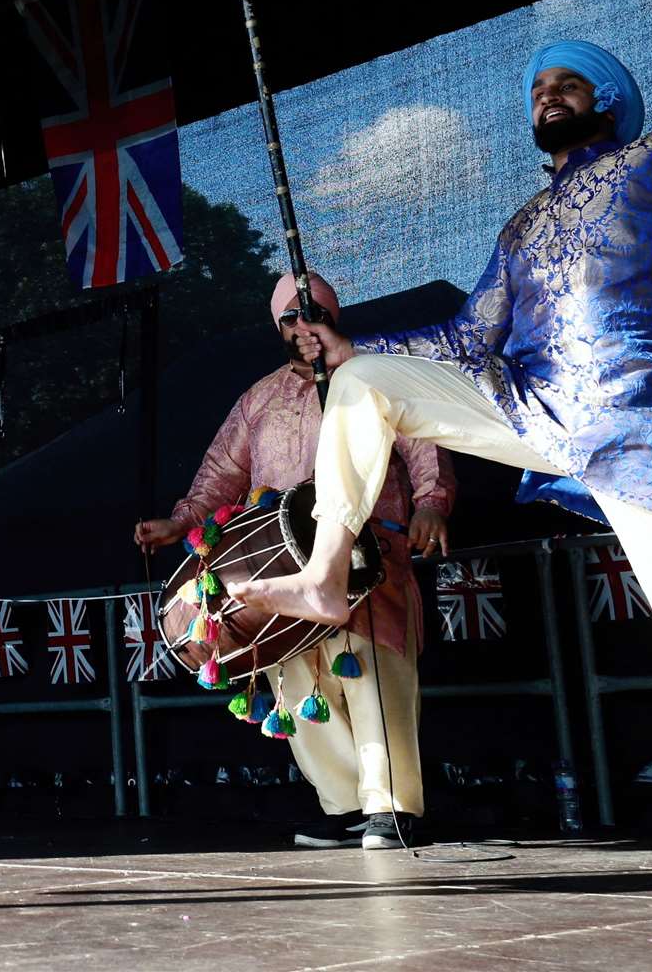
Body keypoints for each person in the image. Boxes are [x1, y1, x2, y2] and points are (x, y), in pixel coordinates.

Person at [233, 0, 652, 909]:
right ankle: (326, 574)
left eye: (566, 83)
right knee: (367, 387)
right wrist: (352, 352)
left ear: (609, 106)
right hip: (532, 408)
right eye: (538, 88)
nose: (546, 94)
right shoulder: (519, 226)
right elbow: (464, 341)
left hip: (642, 430)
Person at [136, 275, 455, 849]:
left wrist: (432, 503)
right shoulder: (259, 399)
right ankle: (342, 807)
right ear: (277, 328)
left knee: (373, 679)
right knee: (300, 684)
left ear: (336, 318)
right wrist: (179, 521)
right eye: (291, 319)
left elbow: (424, 440)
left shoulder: (369, 374)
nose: (304, 328)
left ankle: (392, 808)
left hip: (369, 555)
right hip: (279, 561)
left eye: (317, 316)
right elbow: (219, 476)